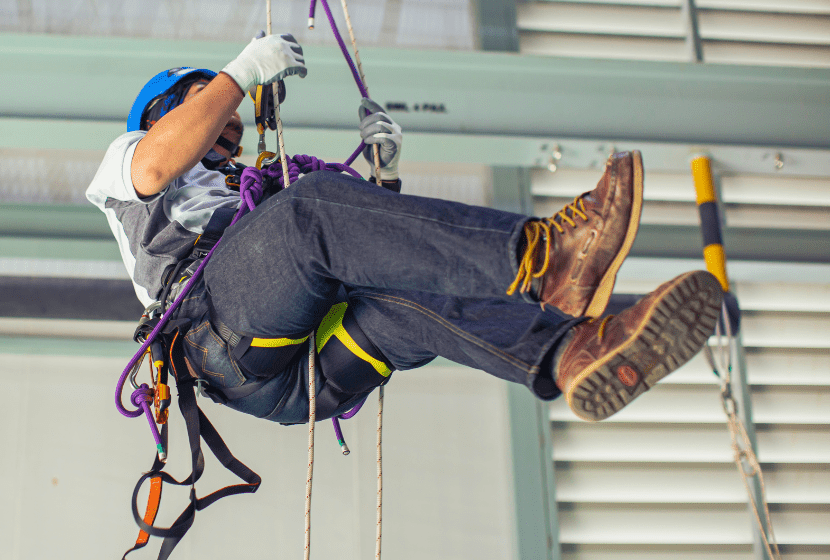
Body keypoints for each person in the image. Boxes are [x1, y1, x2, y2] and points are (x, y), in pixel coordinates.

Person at [86, 33, 723, 425]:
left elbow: (372, 250)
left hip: (304, 379)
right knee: (311, 209)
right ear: (164, 113)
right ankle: (547, 257)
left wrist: (386, 179)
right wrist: (238, 75)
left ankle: (572, 353)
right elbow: (159, 161)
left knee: (413, 298)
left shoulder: (259, 195)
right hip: (216, 333)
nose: (229, 125)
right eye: (207, 106)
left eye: (231, 119)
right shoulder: (128, 161)